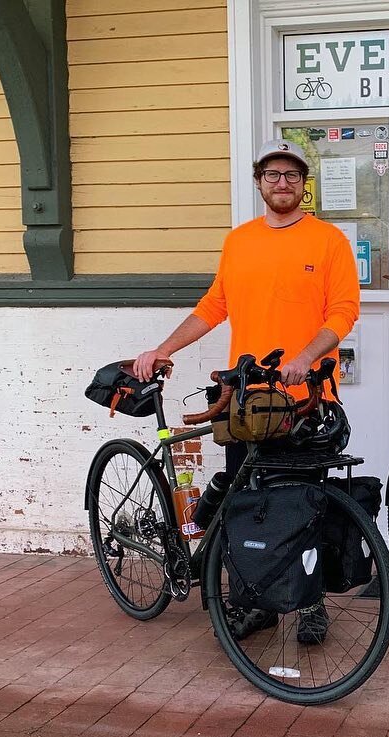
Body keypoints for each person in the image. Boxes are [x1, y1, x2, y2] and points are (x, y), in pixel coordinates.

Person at [134, 138, 360, 644]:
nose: (283, 182)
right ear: (259, 182)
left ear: (304, 186)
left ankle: (310, 605)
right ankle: (253, 602)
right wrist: (165, 346)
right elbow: (214, 306)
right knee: (244, 498)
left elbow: (343, 311)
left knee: (306, 503)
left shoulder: (328, 241)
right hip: (246, 400)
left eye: (292, 175)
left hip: (306, 401)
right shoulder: (239, 241)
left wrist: (305, 356)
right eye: (273, 174)